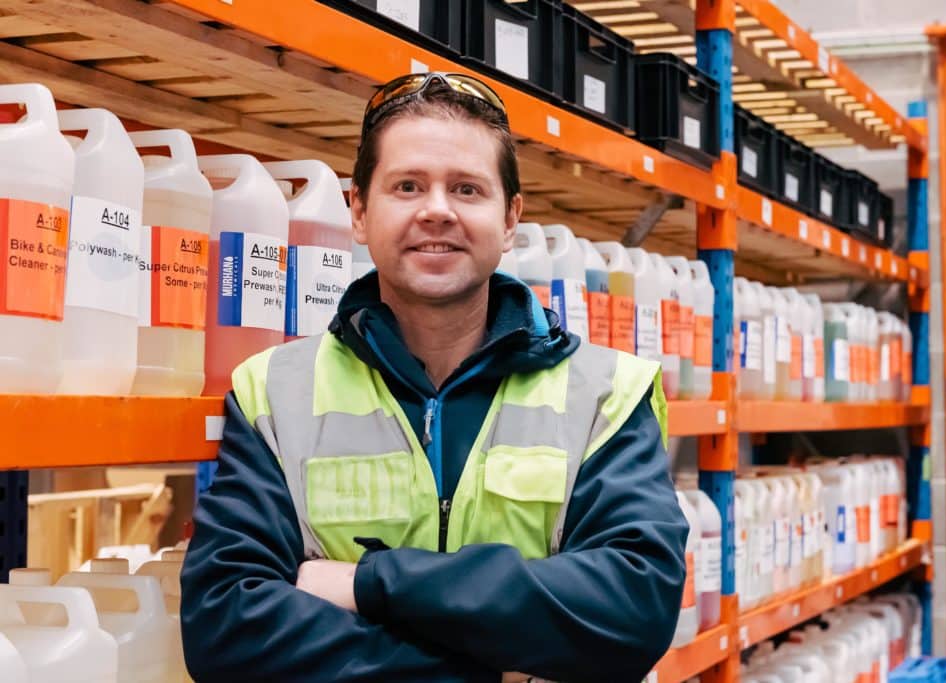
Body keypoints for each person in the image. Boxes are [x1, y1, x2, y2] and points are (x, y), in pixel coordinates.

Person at [180, 72, 688, 683]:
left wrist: (367, 584)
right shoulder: (274, 390)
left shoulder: (607, 392)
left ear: (509, 221)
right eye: (408, 186)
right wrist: (491, 667)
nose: (437, 210)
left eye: (468, 189)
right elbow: (226, 627)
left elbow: (632, 613)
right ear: (361, 213)